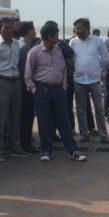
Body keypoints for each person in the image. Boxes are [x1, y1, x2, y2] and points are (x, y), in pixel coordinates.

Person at [24, 22, 87, 162]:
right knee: (44, 121)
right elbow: (28, 74)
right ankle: (46, 151)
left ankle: (72, 150)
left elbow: (63, 69)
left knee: (64, 121)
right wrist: (34, 90)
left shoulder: (58, 50)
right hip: (42, 90)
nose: (57, 38)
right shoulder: (34, 52)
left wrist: (63, 86)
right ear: (48, 36)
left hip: (58, 90)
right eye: (56, 35)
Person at [0, 17, 31, 161]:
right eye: (6, 27)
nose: (9, 30)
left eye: (11, 27)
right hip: (1, 82)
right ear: (0, 29)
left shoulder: (17, 44)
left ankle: (16, 147)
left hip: (15, 82)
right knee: (0, 118)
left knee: (16, 116)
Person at [70, 18, 109, 143]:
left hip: (94, 80)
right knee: (80, 109)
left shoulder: (98, 41)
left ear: (87, 28)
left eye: (79, 28)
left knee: (99, 109)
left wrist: (99, 70)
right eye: (75, 28)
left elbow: (106, 59)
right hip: (79, 80)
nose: (77, 30)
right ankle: (84, 134)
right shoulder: (73, 42)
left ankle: (103, 135)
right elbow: (71, 59)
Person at [16, 21, 39, 153]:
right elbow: (26, 71)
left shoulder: (20, 45)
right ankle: (26, 143)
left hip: (21, 86)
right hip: (26, 88)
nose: (35, 32)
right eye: (33, 30)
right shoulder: (24, 48)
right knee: (27, 116)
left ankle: (25, 141)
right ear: (28, 31)